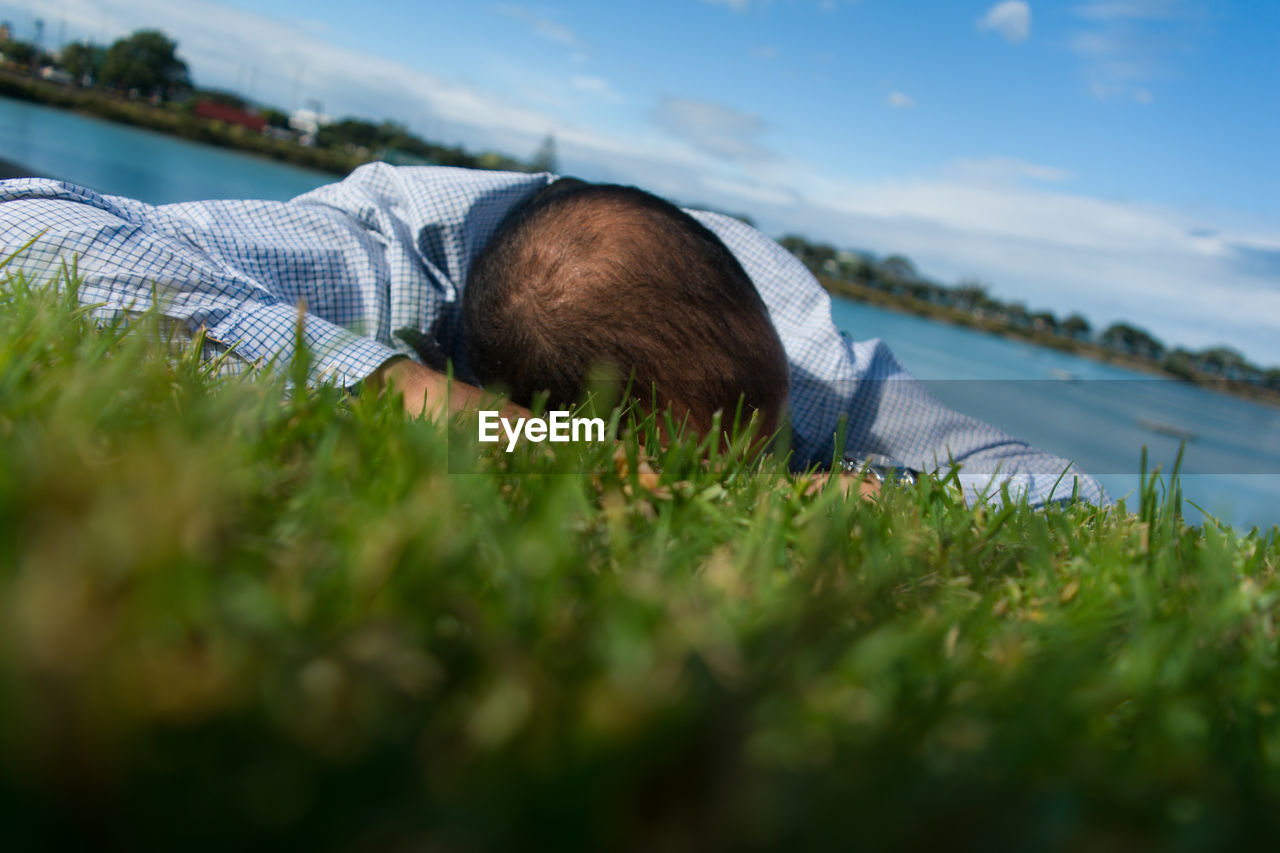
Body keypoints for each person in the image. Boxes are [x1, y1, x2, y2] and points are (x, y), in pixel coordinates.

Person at [0, 163, 1103, 507]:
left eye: (756, 455)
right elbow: (26, 225)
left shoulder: (804, 365)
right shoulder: (378, 260)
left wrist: (866, 493)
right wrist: (427, 403)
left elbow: (1066, 497)